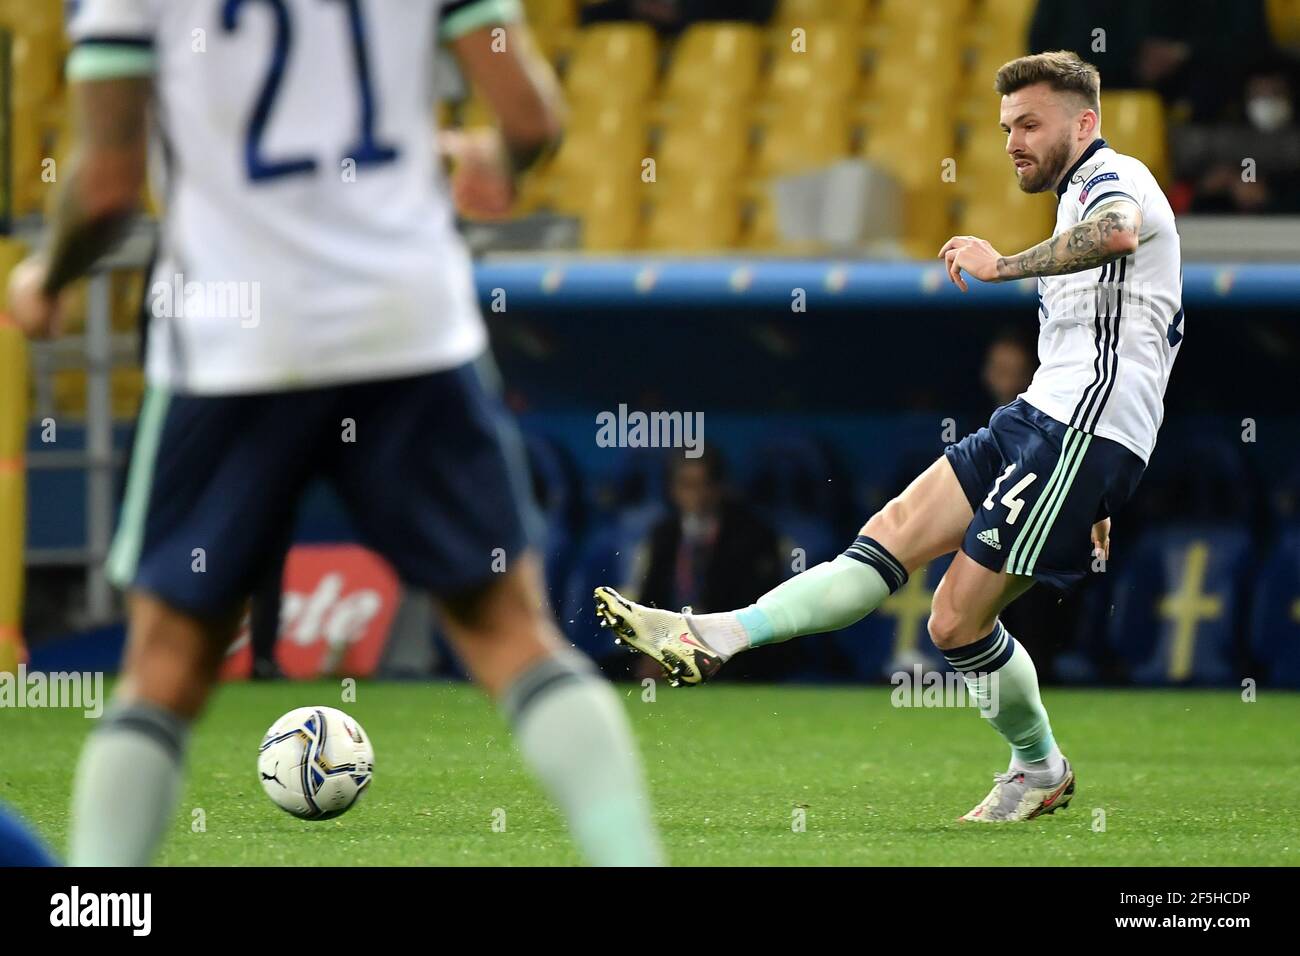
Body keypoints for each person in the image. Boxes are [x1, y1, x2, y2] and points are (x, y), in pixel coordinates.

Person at [7, 0, 662, 866]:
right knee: (513, 635)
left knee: (164, 668)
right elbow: (530, 116)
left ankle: (94, 908)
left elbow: (105, 188)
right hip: (409, 321)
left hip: (235, 337)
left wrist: (47, 274)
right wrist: (492, 160)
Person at [596, 51, 1183, 823]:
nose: (1013, 141)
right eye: (1007, 126)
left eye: (1030, 124)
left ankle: (1039, 767)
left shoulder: (1118, 177)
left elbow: (1118, 234)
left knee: (953, 621)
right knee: (888, 536)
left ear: (1085, 122)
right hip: (1045, 419)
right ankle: (712, 633)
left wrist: (1001, 265)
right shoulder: (1071, 194)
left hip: (1082, 428)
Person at [628, 452, 785, 681]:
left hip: (732, 650)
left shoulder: (753, 535)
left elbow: (754, 610)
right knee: (613, 668)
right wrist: (655, 649)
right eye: (687, 485)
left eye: (704, 485)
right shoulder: (664, 534)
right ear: (673, 489)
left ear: (719, 487)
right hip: (670, 643)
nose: (697, 495)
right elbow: (648, 598)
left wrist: (705, 645)